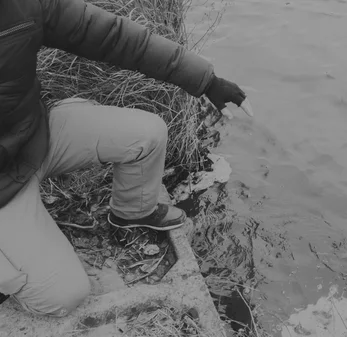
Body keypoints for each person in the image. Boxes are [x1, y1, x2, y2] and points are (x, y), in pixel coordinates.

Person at [0, 0, 252, 317]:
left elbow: (114, 36)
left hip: (33, 137)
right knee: (63, 297)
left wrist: (205, 80)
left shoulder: (22, 6)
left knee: (147, 135)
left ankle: (132, 212)